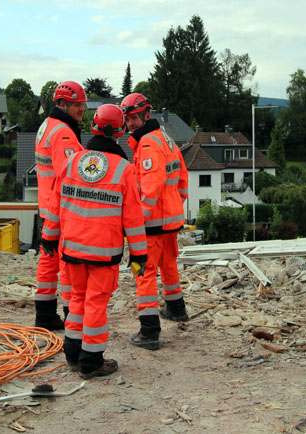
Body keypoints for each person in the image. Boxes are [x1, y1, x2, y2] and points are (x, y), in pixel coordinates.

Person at [41, 104, 147, 378]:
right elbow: (133, 219)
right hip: (103, 254)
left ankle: (73, 352)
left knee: (76, 299)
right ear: (120, 132)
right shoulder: (124, 170)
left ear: (93, 127)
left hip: (72, 250)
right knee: (96, 304)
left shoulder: (71, 162)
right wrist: (139, 255)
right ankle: (91, 360)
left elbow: (56, 205)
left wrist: (49, 236)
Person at [120, 92, 189, 350]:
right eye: (128, 120)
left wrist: (136, 222)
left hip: (152, 224)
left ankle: (149, 331)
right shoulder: (166, 139)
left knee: (143, 273)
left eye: (134, 118)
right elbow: (182, 178)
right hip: (169, 221)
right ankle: (176, 308)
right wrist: (175, 208)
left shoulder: (148, 144)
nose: (130, 124)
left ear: (147, 114)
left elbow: (150, 189)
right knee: (169, 265)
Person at [34, 81, 86, 330]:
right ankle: (70, 313)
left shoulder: (47, 126)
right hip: (62, 210)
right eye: (77, 106)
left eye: (83, 105)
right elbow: (70, 175)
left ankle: (44, 314)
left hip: (48, 207)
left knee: (48, 259)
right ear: (63, 104)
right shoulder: (64, 133)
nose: (81, 110)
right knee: (67, 263)